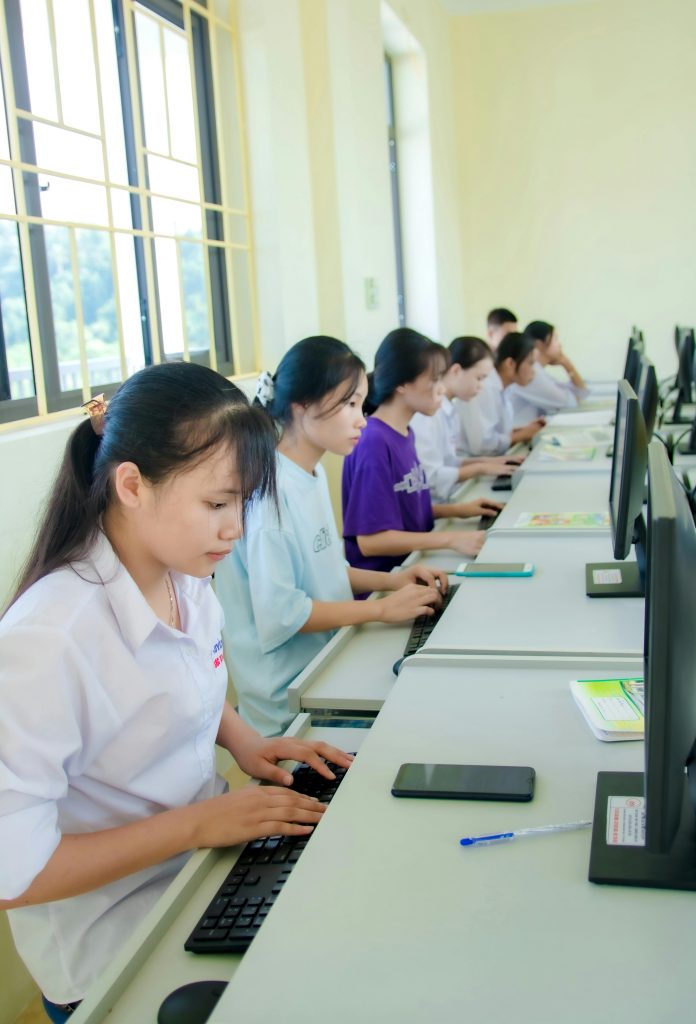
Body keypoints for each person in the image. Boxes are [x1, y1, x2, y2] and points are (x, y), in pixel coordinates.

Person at [0, 362, 353, 1020]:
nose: (236, 529)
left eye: (244, 503)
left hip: (197, 878)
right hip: (113, 948)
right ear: (131, 485)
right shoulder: (44, 641)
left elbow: (183, 684)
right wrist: (196, 824)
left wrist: (248, 743)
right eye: (217, 504)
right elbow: (14, 875)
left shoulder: (184, 575)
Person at [215, 336, 447, 738]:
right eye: (349, 405)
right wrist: (380, 610)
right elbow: (284, 613)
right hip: (291, 708)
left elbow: (326, 568)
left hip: (330, 668)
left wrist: (392, 581)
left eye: (361, 403)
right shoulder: (269, 494)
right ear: (301, 407)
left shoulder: (311, 471)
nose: (362, 418)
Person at [342, 328, 499, 574]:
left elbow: (404, 511)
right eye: (434, 379)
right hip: (390, 582)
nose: (442, 389)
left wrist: (458, 511)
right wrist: (451, 540)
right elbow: (371, 541)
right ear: (403, 383)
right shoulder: (373, 442)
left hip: (417, 563)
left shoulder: (405, 432)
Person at [411, 335, 524, 502]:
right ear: (456, 371)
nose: (481, 386)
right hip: (434, 507)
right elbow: (431, 476)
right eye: (479, 378)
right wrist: (480, 468)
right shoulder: (427, 415)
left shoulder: (449, 409)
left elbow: (449, 461)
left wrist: (492, 463)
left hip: (451, 496)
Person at [474, 332, 546, 455]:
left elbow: (497, 432)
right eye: (530, 363)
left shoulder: (503, 388)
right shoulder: (484, 388)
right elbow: (484, 444)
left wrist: (525, 429)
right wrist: (524, 434)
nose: (534, 371)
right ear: (510, 364)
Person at [508, 320, 588, 425]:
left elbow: (579, 393)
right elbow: (570, 403)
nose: (560, 345)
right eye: (555, 339)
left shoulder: (537, 370)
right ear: (540, 344)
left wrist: (567, 365)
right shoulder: (532, 373)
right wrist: (567, 363)